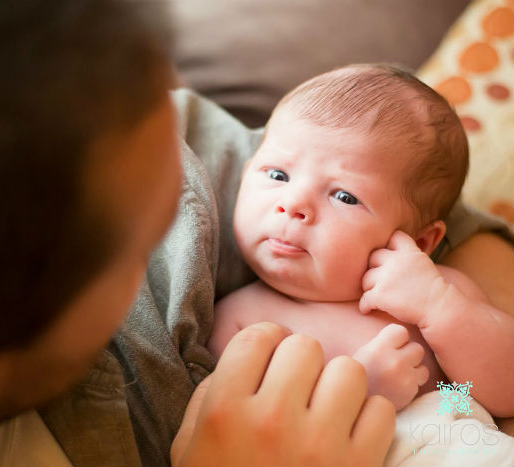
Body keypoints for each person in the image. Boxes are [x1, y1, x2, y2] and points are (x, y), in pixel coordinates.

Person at [0, 1, 399, 466]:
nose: (192, 213)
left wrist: (457, 325)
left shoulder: (111, 127)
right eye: (147, 243)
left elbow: (405, 171)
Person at [208, 64, 514, 415]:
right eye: (278, 175)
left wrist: (440, 308)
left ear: (422, 241)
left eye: (344, 196)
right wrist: (361, 390)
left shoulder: (441, 293)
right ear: (247, 173)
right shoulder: (241, 321)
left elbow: (507, 393)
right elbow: (245, 430)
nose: (292, 205)